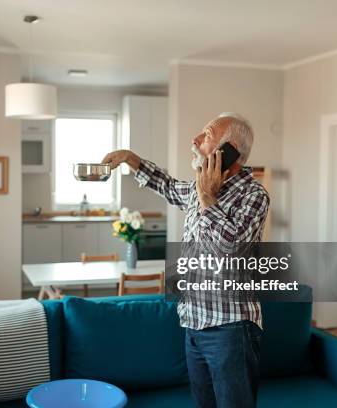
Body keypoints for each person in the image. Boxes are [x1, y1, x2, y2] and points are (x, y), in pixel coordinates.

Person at [102, 112, 270, 408]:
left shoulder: (253, 195)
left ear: (227, 150)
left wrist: (208, 200)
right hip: (194, 323)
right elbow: (167, 185)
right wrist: (131, 159)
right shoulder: (196, 188)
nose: (194, 140)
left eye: (205, 135)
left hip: (230, 328)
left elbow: (229, 248)